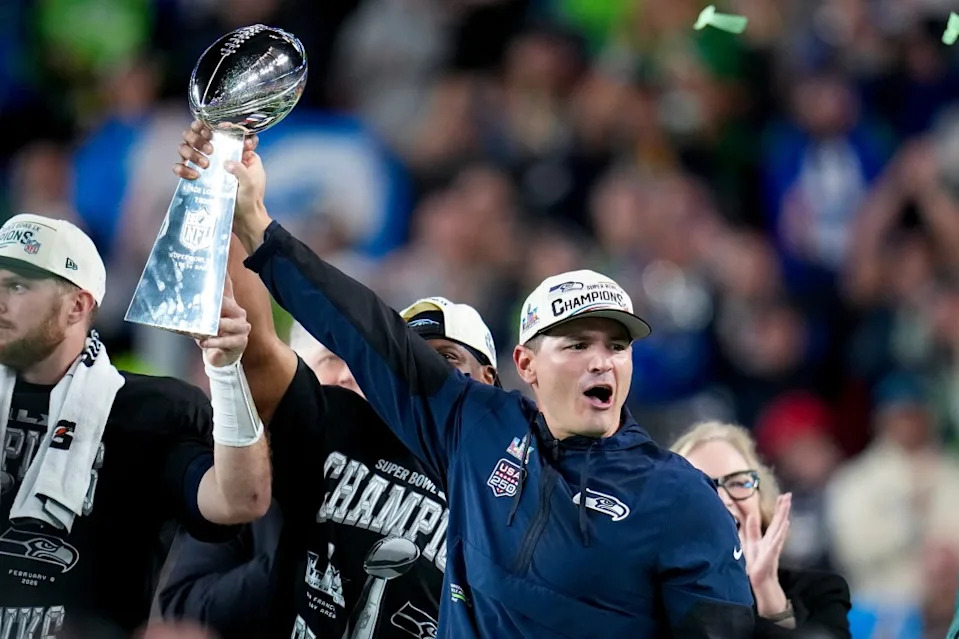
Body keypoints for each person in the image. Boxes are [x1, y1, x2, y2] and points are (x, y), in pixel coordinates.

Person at [175, 121, 754, 636]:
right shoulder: (476, 428)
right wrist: (254, 222)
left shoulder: (679, 495)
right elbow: (363, 329)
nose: (601, 361)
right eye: (577, 345)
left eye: (616, 347)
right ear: (526, 365)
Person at [157, 230, 499, 636]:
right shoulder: (338, 421)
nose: (427, 376)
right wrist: (233, 216)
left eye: (446, 358)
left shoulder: (506, 495)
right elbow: (259, 350)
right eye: (412, 361)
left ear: (489, 379)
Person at [0, 213, 271, 638]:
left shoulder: (151, 411)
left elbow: (240, 500)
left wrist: (227, 373)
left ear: (77, 306)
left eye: (17, 286)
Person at [671, 421, 851, 638]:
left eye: (738, 483)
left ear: (761, 499)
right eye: (701, 486)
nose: (723, 499)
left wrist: (767, 591)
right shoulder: (648, 600)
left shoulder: (822, 591)